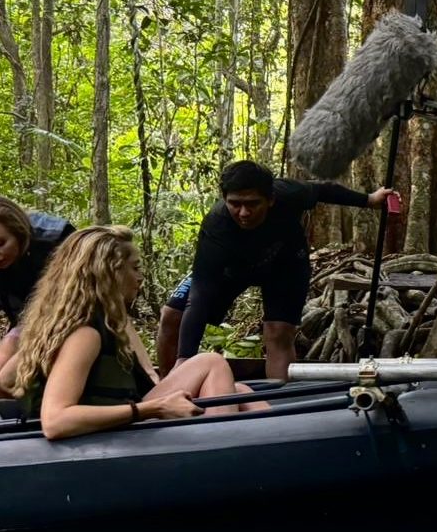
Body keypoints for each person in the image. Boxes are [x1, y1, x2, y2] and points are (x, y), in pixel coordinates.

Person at [7, 226, 265, 440]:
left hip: (121, 421)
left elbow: (5, 379)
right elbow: (55, 422)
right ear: (111, 272)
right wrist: (152, 408)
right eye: (135, 268)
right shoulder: (85, 334)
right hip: (111, 437)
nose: (140, 277)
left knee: (239, 390)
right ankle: (219, 454)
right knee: (212, 362)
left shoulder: (89, 321)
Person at [169, 161, 396, 380]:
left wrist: (369, 199)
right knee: (172, 315)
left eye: (252, 204)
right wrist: (185, 358)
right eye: (235, 204)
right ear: (224, 199)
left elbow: (324, 190)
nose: (244, 213)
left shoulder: (288, 193)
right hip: (232, 270)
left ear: (270, 199)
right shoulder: (216, 225)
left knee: (278, 333)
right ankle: (168, 387)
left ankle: (277, 397)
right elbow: (200, 294)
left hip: (285, 265)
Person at [0, 196, 75, 399]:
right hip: (27, 321)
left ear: (19, 233)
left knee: (8, 374)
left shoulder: (56, 239)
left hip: (73, 318)